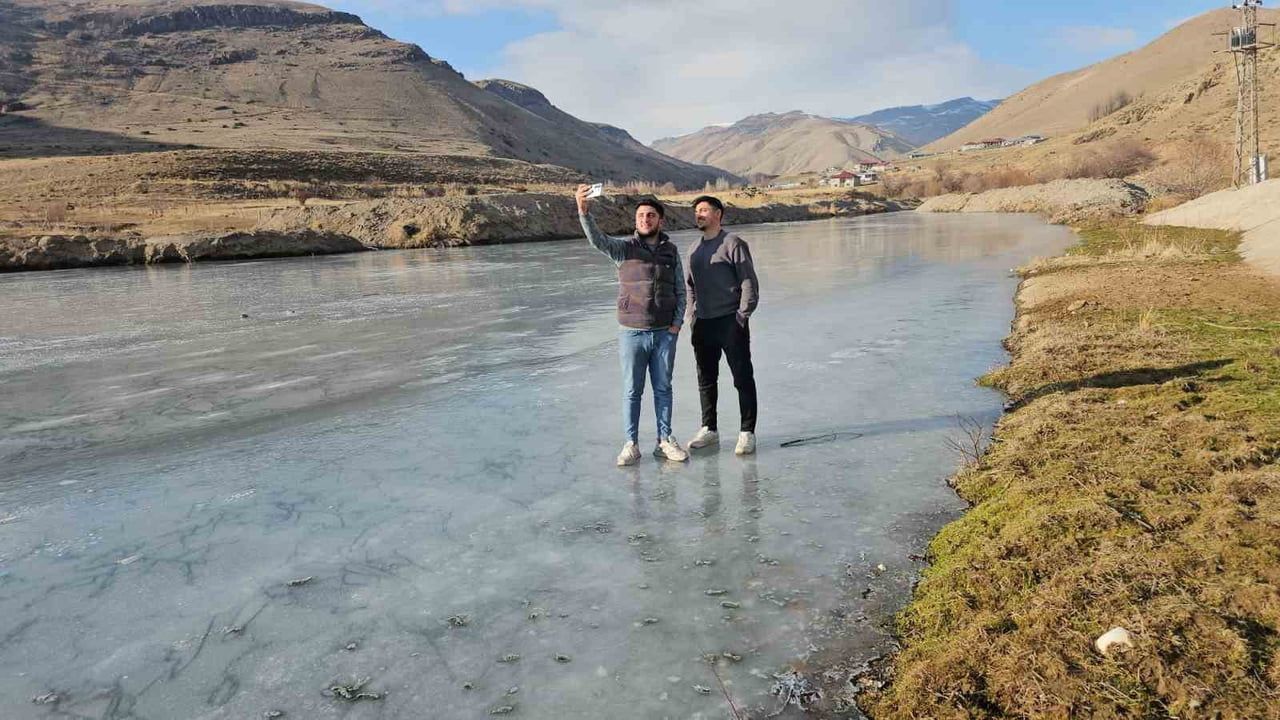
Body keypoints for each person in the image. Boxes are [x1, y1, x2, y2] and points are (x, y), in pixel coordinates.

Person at [577, 185, 690, 466]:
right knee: (632, 390)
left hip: (664, 333)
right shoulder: (623, 249)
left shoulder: (670, 251)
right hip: (632, 332)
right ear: (635, 221)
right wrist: (583, 211)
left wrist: (676, 325)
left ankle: (664, 441)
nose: (645, 220)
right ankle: (631, 444)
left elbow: (681, 290)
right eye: (641, 216)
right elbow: (597, 240)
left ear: (660, 220)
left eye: (651, 215)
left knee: (664, 388)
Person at [684, 195, 759, 456]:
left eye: (704, 210)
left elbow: (748, 281)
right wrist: (691, 316)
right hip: (703, 323)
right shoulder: (693, 248)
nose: (699, 215)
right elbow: (690, 287)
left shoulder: (733, 243)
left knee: (742, 378)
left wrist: (741, 316)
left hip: (730, 320)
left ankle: (747, 432)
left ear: (718, 214)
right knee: (706, 379)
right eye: (697, 211)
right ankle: (709, 429)